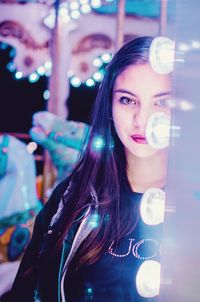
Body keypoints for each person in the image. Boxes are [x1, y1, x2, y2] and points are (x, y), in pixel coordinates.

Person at [1, 36, 172, 302]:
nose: (142, 120)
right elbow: (30, 290)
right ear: (110, 106)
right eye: (127, 100)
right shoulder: (74, 198)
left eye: (161, 102)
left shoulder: (190, 204)